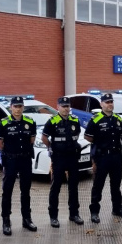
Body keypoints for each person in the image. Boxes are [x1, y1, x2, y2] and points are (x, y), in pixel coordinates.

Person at [0, 96, 38, 235]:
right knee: (7, 191)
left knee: (25, 191)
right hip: (11, 161)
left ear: (23, 107)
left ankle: (27, 219)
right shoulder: (3, 124)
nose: (18, 109)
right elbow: (0, 144)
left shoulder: (30, 122)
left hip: (25, 160)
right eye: (15, 106)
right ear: (10, 107)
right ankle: (6, 221)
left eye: (20, 106)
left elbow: (31, 140)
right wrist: (9, 156)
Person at [86, 93, 122, 223]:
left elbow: (120, 135)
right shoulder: (95, 119)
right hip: (102, 157)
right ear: (101, 104)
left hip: (116, 157)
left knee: (116, 185)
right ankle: (94, 212)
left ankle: (117, 208)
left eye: (111, 102)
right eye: (107, 102)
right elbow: (88, 136)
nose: (110, 104)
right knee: (98, 185)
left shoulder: (117, 119)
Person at [41, 96, 84, 228]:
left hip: (72, 157)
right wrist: (51, 148)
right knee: (56, 187)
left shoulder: (74, 120)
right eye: (63, 106)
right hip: (59, 158)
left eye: (67, 106)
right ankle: (53, 216)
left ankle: (74, 214)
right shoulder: (52, 121)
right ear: (58, 107)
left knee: (73, 186)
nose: (66, 108)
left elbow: (77, 134)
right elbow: (44, 137)